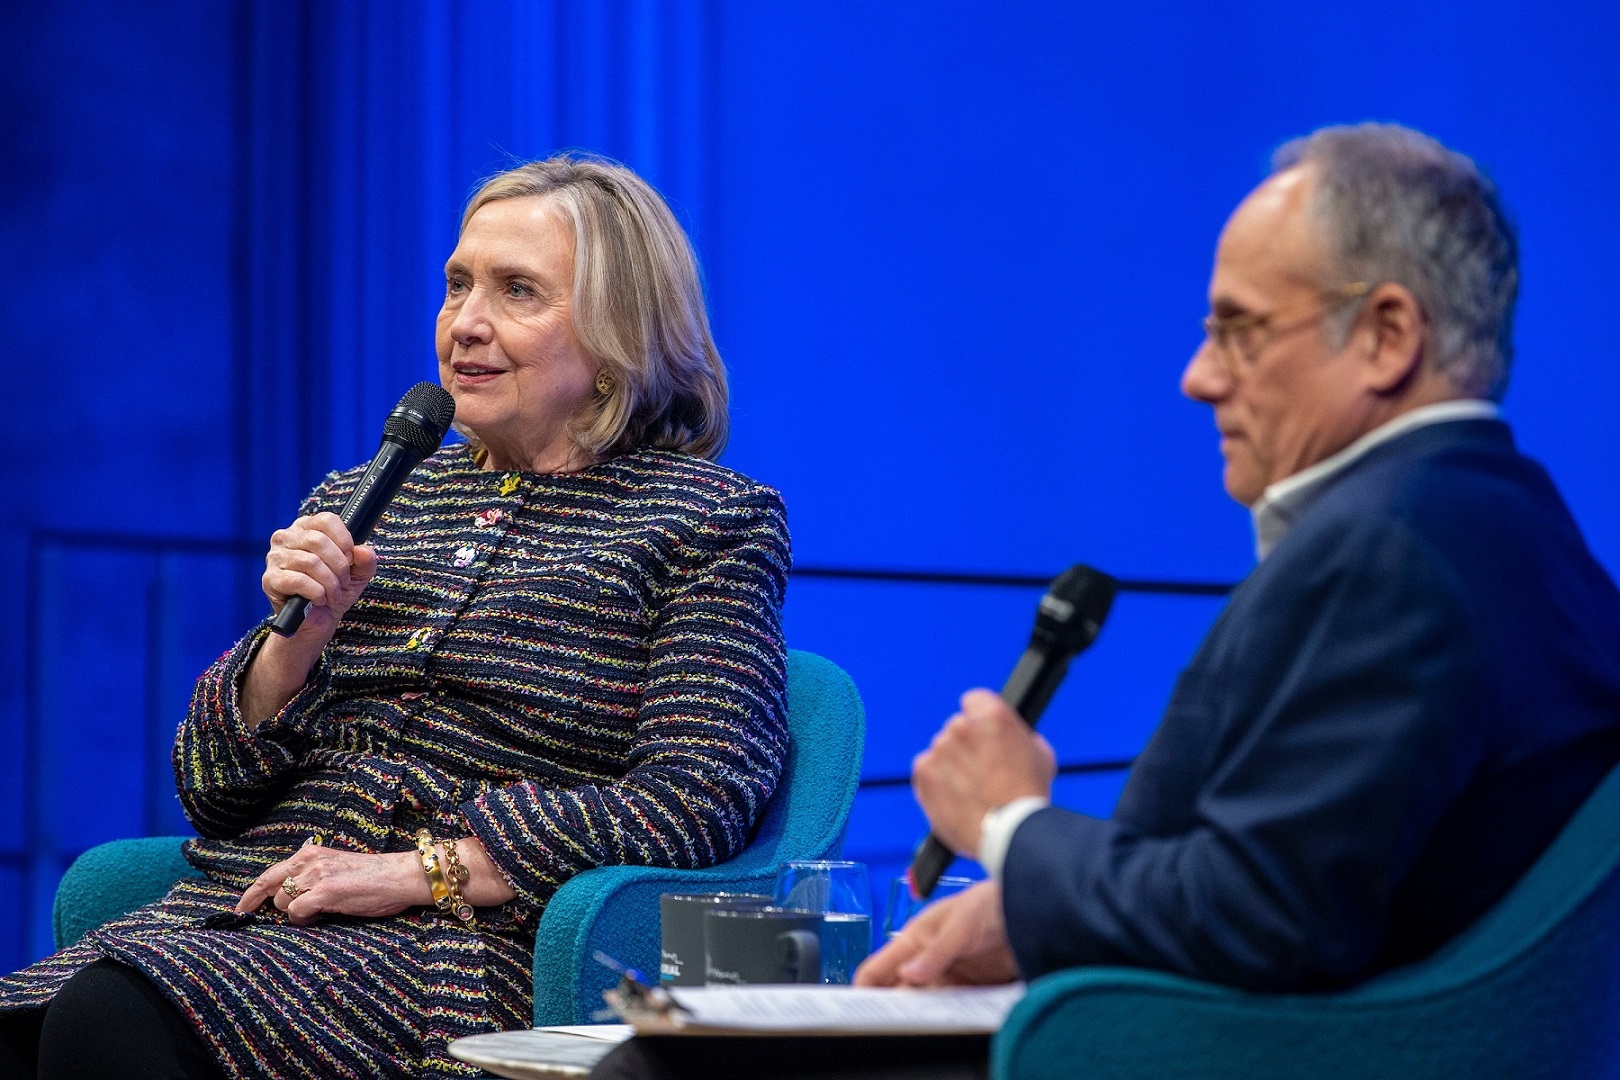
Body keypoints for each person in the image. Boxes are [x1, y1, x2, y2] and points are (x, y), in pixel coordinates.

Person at [591, 123, 1620, 1080]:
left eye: (1239, 330)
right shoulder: (1504, 531)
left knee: (659, 1065)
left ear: (1387, 335)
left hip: (1237, 1051)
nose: (1195, 377)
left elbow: (1266, 917)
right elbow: (1283, 878)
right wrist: (1036, 908)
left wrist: (1011, 822)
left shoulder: (1387, 556)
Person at [0, 154, 792, 1080]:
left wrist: (426, 870)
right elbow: (211, 791)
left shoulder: (705, 519)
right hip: (255, 912)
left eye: (517, 291)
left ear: (621, 330)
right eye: (457, 284)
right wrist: (295, 647)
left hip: (457, 946)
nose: (467, 324)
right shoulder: (370, 495)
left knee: (114, 1022)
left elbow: (695, 800)